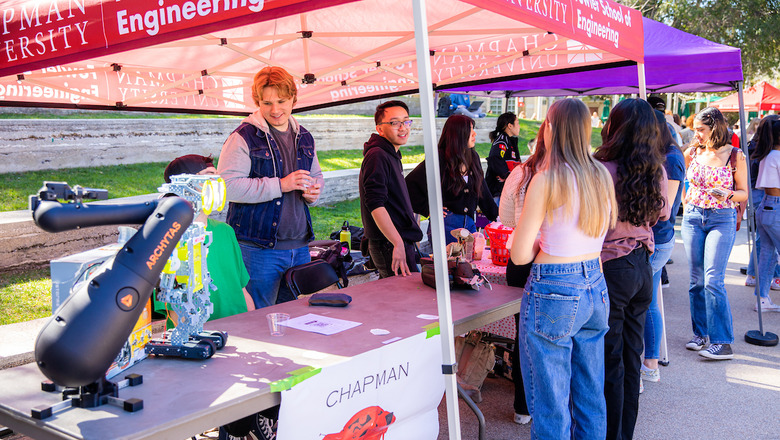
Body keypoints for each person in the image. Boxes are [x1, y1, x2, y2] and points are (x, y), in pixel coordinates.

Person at [510, 98, 617, 440]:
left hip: (555, 287)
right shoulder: (600, 173)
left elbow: (519, 255)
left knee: (550, 400)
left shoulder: (547, 179)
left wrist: (541, 241)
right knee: (590, 394)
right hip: (594, 284)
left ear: (551, 129)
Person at [217, 66, 324, 309]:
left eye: (282, 101)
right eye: (267, 103)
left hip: (299, 246)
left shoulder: (304, 136)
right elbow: (227, 187)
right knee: (257, 318)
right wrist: (281, 185)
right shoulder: (242, 136)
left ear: (294, 98)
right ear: (257, 102)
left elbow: (316, 176)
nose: (275, 110)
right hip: (257, 249)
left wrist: (313, 192)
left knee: (295, 316)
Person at [595, 99, 669, 440]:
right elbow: (663, 215)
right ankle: (624, 434)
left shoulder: (603, 168)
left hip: (612, 267)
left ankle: (610, 434)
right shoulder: (656, 167)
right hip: (642, 266)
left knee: (611, 361)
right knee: (631, 357)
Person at [156, 154, 255, 326]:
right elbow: (174, 311)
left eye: (217, 176)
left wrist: (254, 323)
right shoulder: (165, 239)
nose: (217, 183)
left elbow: (241, 290)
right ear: (183, 187)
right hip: (200, 336)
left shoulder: (225, 231)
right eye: (208, 177)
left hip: (241, 327)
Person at [682, 107, 748, 360]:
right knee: (696, 280)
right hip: (693, 218)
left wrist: (729, 194)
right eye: (695, 129)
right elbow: (686, 185)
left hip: (722, 218)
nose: (696, 134)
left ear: (715, 128)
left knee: (713, 279)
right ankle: (700, 335)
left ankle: (722, 341)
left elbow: (743, 192)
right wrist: (688, 206)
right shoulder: (693, 152)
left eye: (701, 129)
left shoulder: (735, 155)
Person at [498, 123, 549, 426]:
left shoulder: (522, 171)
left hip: (521, 257)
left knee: (524, 334)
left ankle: (523, 406)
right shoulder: (569, 173)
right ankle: (548, 403)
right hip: (553, 257)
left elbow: (505, 216)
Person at [406, 114, 498, 244]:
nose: (475, 134)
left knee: (470, 262)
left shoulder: (473, 157)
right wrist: (429, 208)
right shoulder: (439, 158)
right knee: (451, 264)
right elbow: (409, 186)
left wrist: (496, 217)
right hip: (446, 225)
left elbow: (482, 189)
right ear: (458, 134)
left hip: (470, 223)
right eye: (470, 130)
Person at [642, 110, 685, 383]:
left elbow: (664, 209)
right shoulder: (665, 155)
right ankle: (650, 362)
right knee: (647, 302)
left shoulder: (670, 159)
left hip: (658, 237)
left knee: (646, 303)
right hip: (655, 236)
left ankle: (651, 363)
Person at [359, 100, 423, 278]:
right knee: (403, 301)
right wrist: (397, 243)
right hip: (389, 243)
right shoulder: (377, 155)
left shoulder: (390, 153)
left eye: (406, 121)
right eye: (395, 123)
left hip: (397, 241)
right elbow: (375, 203)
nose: (403, 127)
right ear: (380, 129)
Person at [745, 115, 780, 291]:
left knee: (767, 251)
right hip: (772, 203)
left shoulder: (763, 152)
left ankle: (762, 295)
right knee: (767, 250)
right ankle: (764, 291)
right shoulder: (774, 155)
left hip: (764, 202)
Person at [486, 112, 521, 203]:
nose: (519, 126)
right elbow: (494, 158)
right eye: (517, 123)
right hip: (499, 193)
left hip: (506, 192)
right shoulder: (502, 141)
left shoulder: (509, 141)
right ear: (510, 126)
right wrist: (507, 176)